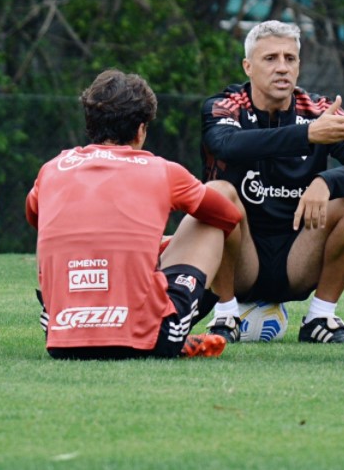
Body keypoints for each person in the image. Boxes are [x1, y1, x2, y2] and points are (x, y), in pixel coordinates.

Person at [25, 70, 241, 359]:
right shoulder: (163, 170)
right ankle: (227, 311)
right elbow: (228, 217)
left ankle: (68, 314)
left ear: (90, 125)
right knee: (215, 211)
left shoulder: (52, 169)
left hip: (63, 338)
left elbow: (36, 218)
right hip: (152, 339)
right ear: (141, 129)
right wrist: (167, 243)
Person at [200, 20, 344, 343]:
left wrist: (328, 181)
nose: (282, 68)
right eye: (270, 59)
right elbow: (226, 145)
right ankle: (225, 316)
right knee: (216, 193)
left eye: (290, 59)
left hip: (300, 257)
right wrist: (307, 136)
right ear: (248, 66)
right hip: (241, 259)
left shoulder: (320, 111)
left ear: (299, 66)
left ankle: (320, 318)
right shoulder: (225, 106)